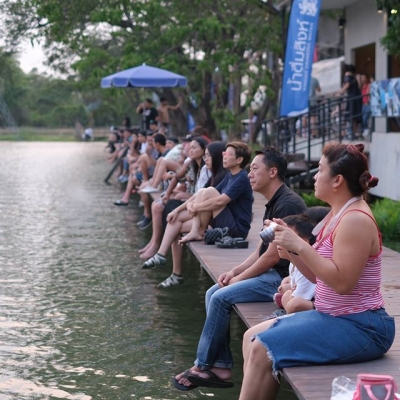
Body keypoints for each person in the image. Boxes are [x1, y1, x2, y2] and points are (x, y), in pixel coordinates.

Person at [239, 143, 395, 400]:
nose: (314, 175)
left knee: (261, 348)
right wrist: (290, 250)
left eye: (319, 170)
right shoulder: (336, 214)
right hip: (334, 316)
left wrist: (299, 244)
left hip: (362, 326)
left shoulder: (355, 219)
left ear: (337, 180)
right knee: (250, 336)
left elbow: (342, 283)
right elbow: (319, 278)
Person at [172, 147, 307, 391]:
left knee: (222, 297)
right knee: (213, 291)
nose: (249, 174)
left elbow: (270, 258)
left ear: (273, 172)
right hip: (271, 273)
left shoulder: (287, 205)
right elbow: (260, 250)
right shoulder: (273, 202)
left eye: (255, 169)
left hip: (283, 278)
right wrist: (234, 272)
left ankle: (203, 366)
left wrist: (239, 279)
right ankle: (221, 365)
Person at [141, 142, 253, 281]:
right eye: (223, 154)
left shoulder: (241, 177)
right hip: (222, 221)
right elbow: (198, 195)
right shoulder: (229, 176)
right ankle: (164, 258)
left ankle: (198, 231)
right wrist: (177, 210)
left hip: (236, 229)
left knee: (209, 191)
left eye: (228, 154)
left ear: (239, 160)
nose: (224, 156)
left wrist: (196, 207)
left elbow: (220, 201)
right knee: (176, 221)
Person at [272, 209, 329, 315]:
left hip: (320, 303)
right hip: (308, 296)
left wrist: (292, 292)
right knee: (288, 294)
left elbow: (298, 298)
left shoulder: (310, 261)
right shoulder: (294, 262)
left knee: (294, 302)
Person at [336, 64, 362, 139]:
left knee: (352, 115)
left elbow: (347, 84)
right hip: (356, 97)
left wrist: (339, 93)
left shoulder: (348, 76)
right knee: (355, 116)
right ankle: (356, 132)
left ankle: (354, 133)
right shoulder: (354, 77)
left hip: (352, 98)